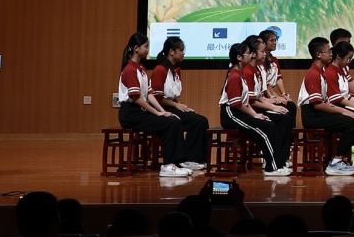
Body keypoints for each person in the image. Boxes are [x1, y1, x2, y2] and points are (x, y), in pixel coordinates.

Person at [117, 33, 202, 177]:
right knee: (170, 123)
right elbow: (137, 98)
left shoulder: (141, 69)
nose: (148, 50)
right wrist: (157, 113)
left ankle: (177, 162)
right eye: (146, 46)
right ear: (136, 48)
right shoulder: (130, 69)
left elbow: (149, 94)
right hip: (130, 114)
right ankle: (168, 165)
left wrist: (163, 111)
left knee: (172, 119)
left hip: (139, 112)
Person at [299, 37, 354, 172]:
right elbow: (318, 105)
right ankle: (336, 162)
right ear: (318, 54)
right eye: (328, 51)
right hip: (312, 115)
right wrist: (345, 111)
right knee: (353, 123)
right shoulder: (313, 73)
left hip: (320, 112)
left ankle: (340, 159)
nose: (331, 54)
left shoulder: (321, 72)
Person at [220, 40, 292, 176]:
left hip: (240, 111)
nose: (251, 55)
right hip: (231, 114)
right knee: (265, 130)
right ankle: (272, 168)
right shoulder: (234, 75)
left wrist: (256, 114)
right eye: (248, 54)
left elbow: (246, 102)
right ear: (239, 57)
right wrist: (254, 115)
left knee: (269, 124)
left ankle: (277, 163)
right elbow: (236, 104)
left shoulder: (240, 73)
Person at [148, 36, 212, 169]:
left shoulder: (176, 70)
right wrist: (176, 105)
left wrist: (180, 106)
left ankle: (195, 158)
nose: (183, 53)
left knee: (200, 120)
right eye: (181, 50)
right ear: (172, 52)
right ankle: (186, 159)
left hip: (171, 106)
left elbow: (173, 96)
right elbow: (156, 97)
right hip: (160, 108)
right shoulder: (160, 69)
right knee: (195, 121)